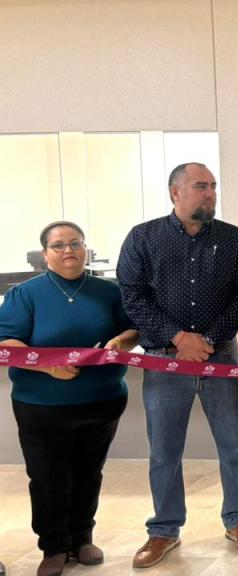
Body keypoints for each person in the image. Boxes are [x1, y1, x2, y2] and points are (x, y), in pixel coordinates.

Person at [117, 162, 238, 568]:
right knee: (164, 451)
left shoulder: (232, 240)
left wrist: (208, 341)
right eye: (201, 186)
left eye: (213, 186)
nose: (211, 193)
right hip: (166, 361)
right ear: (175, 193)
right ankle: (163, 530)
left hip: (221, 357)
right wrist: (179, 339)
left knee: (233, 446)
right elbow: (133, 297)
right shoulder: (143, 239)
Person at [0, 221, 138, 576]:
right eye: (58, 245)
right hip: (40, 404)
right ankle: (54, 546)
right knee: (47, 476)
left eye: (75, 243)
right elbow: (7, 344)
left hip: (101, 399)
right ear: (45, 254)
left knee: (88, 473)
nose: (68, 251)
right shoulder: (25, 294)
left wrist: (119, 343)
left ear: (85, 248)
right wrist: (50, 368)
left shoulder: (109, 291)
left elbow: (132, 328)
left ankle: (82, 538)